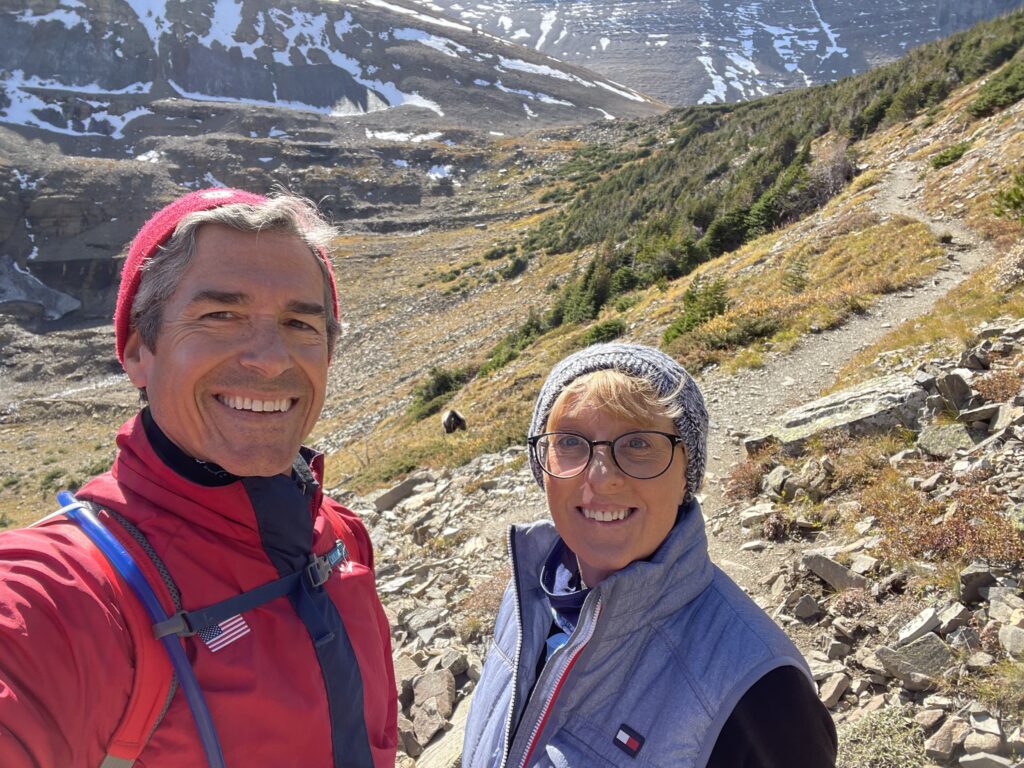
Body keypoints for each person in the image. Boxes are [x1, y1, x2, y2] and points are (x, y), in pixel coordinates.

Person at [0, 189, 398, 767]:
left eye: (299, 323)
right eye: (220, 316)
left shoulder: (338, 535)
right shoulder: (65, 597)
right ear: (139, 352)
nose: (270, 358)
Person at [462, 343, 837, 767]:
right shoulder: (527, 597)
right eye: (569, 441)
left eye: (638, 443)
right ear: (541, 464)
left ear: (686, 476)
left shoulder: (762, 693)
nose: (601, 478)